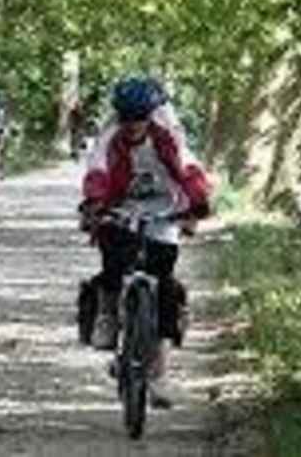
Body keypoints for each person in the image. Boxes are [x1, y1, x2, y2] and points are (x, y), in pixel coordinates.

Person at [78, 75, 212, 410]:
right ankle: (108, 314)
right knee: (113, 261)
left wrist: (197, 206)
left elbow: (188, 167)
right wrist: (95, 206)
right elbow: (97, 171)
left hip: (166, 210)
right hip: (121, 208)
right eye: (127, 118)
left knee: (164, 287)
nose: (133, 125)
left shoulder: (167, 135)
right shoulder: (111, 136)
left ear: (150, 115)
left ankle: (159, 373)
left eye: (140, 118)